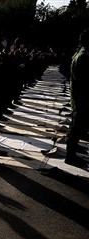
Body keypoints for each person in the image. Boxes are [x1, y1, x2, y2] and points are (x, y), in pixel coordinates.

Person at [65, 29, 89, 168]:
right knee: (76, 126)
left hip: (80, 97)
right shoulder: (83, 56)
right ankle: (70, 155)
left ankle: (73, 148)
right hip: (82, 98)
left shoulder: (82, 54)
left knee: (78, 125)